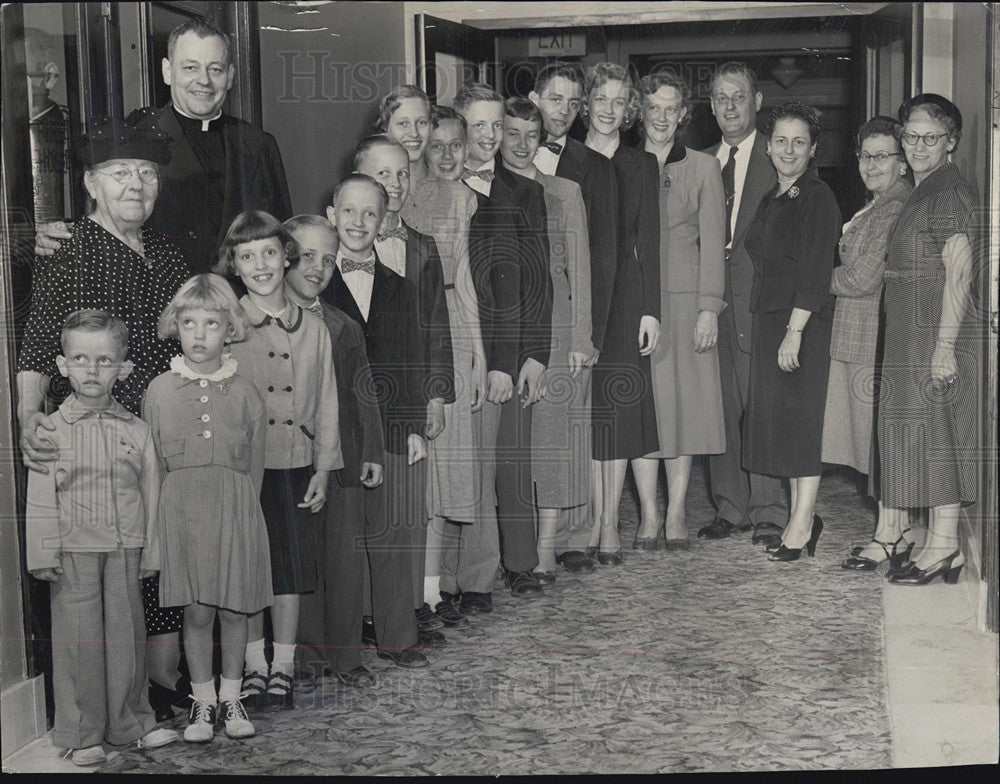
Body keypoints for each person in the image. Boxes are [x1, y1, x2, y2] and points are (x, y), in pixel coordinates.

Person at [17, 118, 191, 722]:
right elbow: (40, 345)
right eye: (120, 174)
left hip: (170, 432)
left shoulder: (170, 254)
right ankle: (113, 703)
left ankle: (163, 681)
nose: (136, 185)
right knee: (111, 571)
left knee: (163, 553)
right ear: (92, 183)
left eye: (146, 174)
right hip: (103, 438)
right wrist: (25, 416)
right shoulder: (68, 250)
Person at [24, 310, 179, 766]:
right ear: (63, 365)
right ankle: (81, 732)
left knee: (127, 638)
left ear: (123, 368)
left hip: (125, 549)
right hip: (71, 551)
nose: (92, 370)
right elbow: (39, 496)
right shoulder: (49, 430)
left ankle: (132, 722)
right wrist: (40, 552)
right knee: (78, 641)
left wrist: (153, 549)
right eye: (81, 359)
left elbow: (152, 495)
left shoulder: (138, 430)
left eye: (104, 360)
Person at [34, 18, 291, 273]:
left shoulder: (259, 145)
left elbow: (281, 240)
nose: (204, 81)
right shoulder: (135, 135)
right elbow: (101, 220)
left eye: (215, 69)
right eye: (191, 68)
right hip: (166, 300)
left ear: (231, 76)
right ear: (168, 72)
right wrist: (58, 234)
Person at [218, 211, 343, 707]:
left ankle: (283, 666)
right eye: (247, 256)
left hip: (295, 463)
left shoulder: (313, 328)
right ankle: (252, 665)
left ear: (285, 255)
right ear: (235, 265)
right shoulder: (229, 326)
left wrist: (323, 467)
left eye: (270, 252)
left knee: (289, 570)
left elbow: (328, 399)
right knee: (251, 568)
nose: (261, 265)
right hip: (245, 470)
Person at [144, 275, 267, 741]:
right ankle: (203, 702)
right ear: (175, 327)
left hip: (234, 515)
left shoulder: (246, 393)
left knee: (235, 611)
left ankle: (233, 699)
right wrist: (157, 533)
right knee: (196, 613)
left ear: (229, 328)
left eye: (211, 323)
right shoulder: (158, 391)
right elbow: (151, 467)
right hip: (181, 518)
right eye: (189, 323)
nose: (199, 334)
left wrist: (244, 520)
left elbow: (254, 471)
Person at [321, 174, 432, 667]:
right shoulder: (314, 286)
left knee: (390, 535)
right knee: (342, 545)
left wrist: (411, 428)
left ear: (384, 219)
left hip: (387, 425)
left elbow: (413, 360)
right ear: (331, 215)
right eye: (349, 211)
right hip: (335, 429)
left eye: (371, 213)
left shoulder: (402, 289)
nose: (359, 222)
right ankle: (342, 648)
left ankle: (398, 636)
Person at [356, 130, 457, 640]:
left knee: (409, 506)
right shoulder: (343, 245)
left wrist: (437, 392)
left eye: (402, 173)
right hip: (360, 396)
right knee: (367, 512)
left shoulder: (422, 246)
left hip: (410, 396)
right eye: (381, 174)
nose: (394, 184)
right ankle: (368, 614)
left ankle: (406, 606)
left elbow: (437, 326)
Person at [875, 94, 980, 586]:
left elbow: (959, 276)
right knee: (922, 434)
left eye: (930, 137)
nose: (918, 145)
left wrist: (944, 348)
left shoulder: (949, 192)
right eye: (910, 135)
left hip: (935, 334)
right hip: (910, 332)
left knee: (939, 435)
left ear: (950, 142)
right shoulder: (921, 189)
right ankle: (941, 544)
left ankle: (944, 546)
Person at [456, 88, 555, 599]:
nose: (493, 136)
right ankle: (468, 579)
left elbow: (540, 281)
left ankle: (520, 561)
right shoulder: (437, 192)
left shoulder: (526, 193)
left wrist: (536, 354)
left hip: (513, 344)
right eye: (480, 126)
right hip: (459, 346)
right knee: (467, 464)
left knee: (512, 459)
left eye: (498, 125)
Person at [284, 215, 385, 687]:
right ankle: (306, 657)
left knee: (344, 561)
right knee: (299, 561)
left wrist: (372, 452)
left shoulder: (343, 325)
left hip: (340, 457)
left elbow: (364, 392)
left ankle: (347, 659)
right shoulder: (261, 322)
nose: (317, 268)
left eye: (328, 260)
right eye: (306, 256)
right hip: (287, 460)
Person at [499, 97, 595, 583]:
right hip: (503, 326)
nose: (520, 145)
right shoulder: (485, 188)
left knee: (552, 440)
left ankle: (545, 549)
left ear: (543, 141)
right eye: (510, 133)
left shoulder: (564, 191)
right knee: (512, 441)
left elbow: (579, 269)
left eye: (530, 136)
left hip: (556, 325)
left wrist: (581, 337)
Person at [631, 69, 726, 551]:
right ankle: (647, 513)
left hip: (687, 305)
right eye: (654, 108)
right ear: (640, 111)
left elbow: (714, 243)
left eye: (672, 109)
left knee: (684, 413)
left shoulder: (704, 167)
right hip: (636, 304)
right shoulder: (624, 163)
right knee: (644, 411)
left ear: (684, 114)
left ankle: (675, 514)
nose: (662, 117)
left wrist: (710, 308)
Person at [529, 62, 618, 575]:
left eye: (571, 103)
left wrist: (588, 332)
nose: (562, 111)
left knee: (570, 431)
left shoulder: (592, 167)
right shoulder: (505, 155)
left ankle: (573, 539)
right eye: (554, 99)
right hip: (525, 318)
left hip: (571, 318)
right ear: (536, 99)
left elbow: (598, 258)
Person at [742, 102, 841, 562]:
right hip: (771, 322)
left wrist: (795, 331)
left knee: (801, 426)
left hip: (799, 325)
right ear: (767, 146)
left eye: (799, 142)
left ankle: (803, 523)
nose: (788, 149)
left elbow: (816, 268)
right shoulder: (773, 197)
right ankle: (800, 516)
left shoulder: (817, 196)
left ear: (813, 149)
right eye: (780, 140)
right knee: (784, 425)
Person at [701, 62, 787, 547]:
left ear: (756, 102)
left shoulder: (779, 158)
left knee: (762, 409)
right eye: (719, 97)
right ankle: (729, 507)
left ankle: (769, 509)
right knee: (720, 409)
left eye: (738, 96)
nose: (728, 105)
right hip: (714, 307)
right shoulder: (700, 160)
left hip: (760, 305)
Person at [581, 63, 661, 565]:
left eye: (619, 102)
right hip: (576, 298)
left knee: (614, 411)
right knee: (584, 416)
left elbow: (648, 242)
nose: (609, 110)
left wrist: (651, 310)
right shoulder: (563, 159)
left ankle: (609, 521)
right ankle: (588, 518)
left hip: (626, 299)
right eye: (601, 99)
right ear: (586, 102)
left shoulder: (641, 163)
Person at [826, 118, 913, 571]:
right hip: (856, 336)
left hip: (870, 340)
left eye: (882, 156)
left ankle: (888, 535)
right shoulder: (877, 204)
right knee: (868, 443)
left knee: (878, 445)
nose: (871, 164)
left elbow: (862, 278)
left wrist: (810, 280)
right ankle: (894, 529)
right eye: (865, 155)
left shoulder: (896, 207)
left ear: (902, 163)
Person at [373, 84, 432, 167]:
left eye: (421, 123)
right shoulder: (367, 179)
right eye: (403, 124)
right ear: (385, 127)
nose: (414, 133)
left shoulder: (445, 178)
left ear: (431, 127)